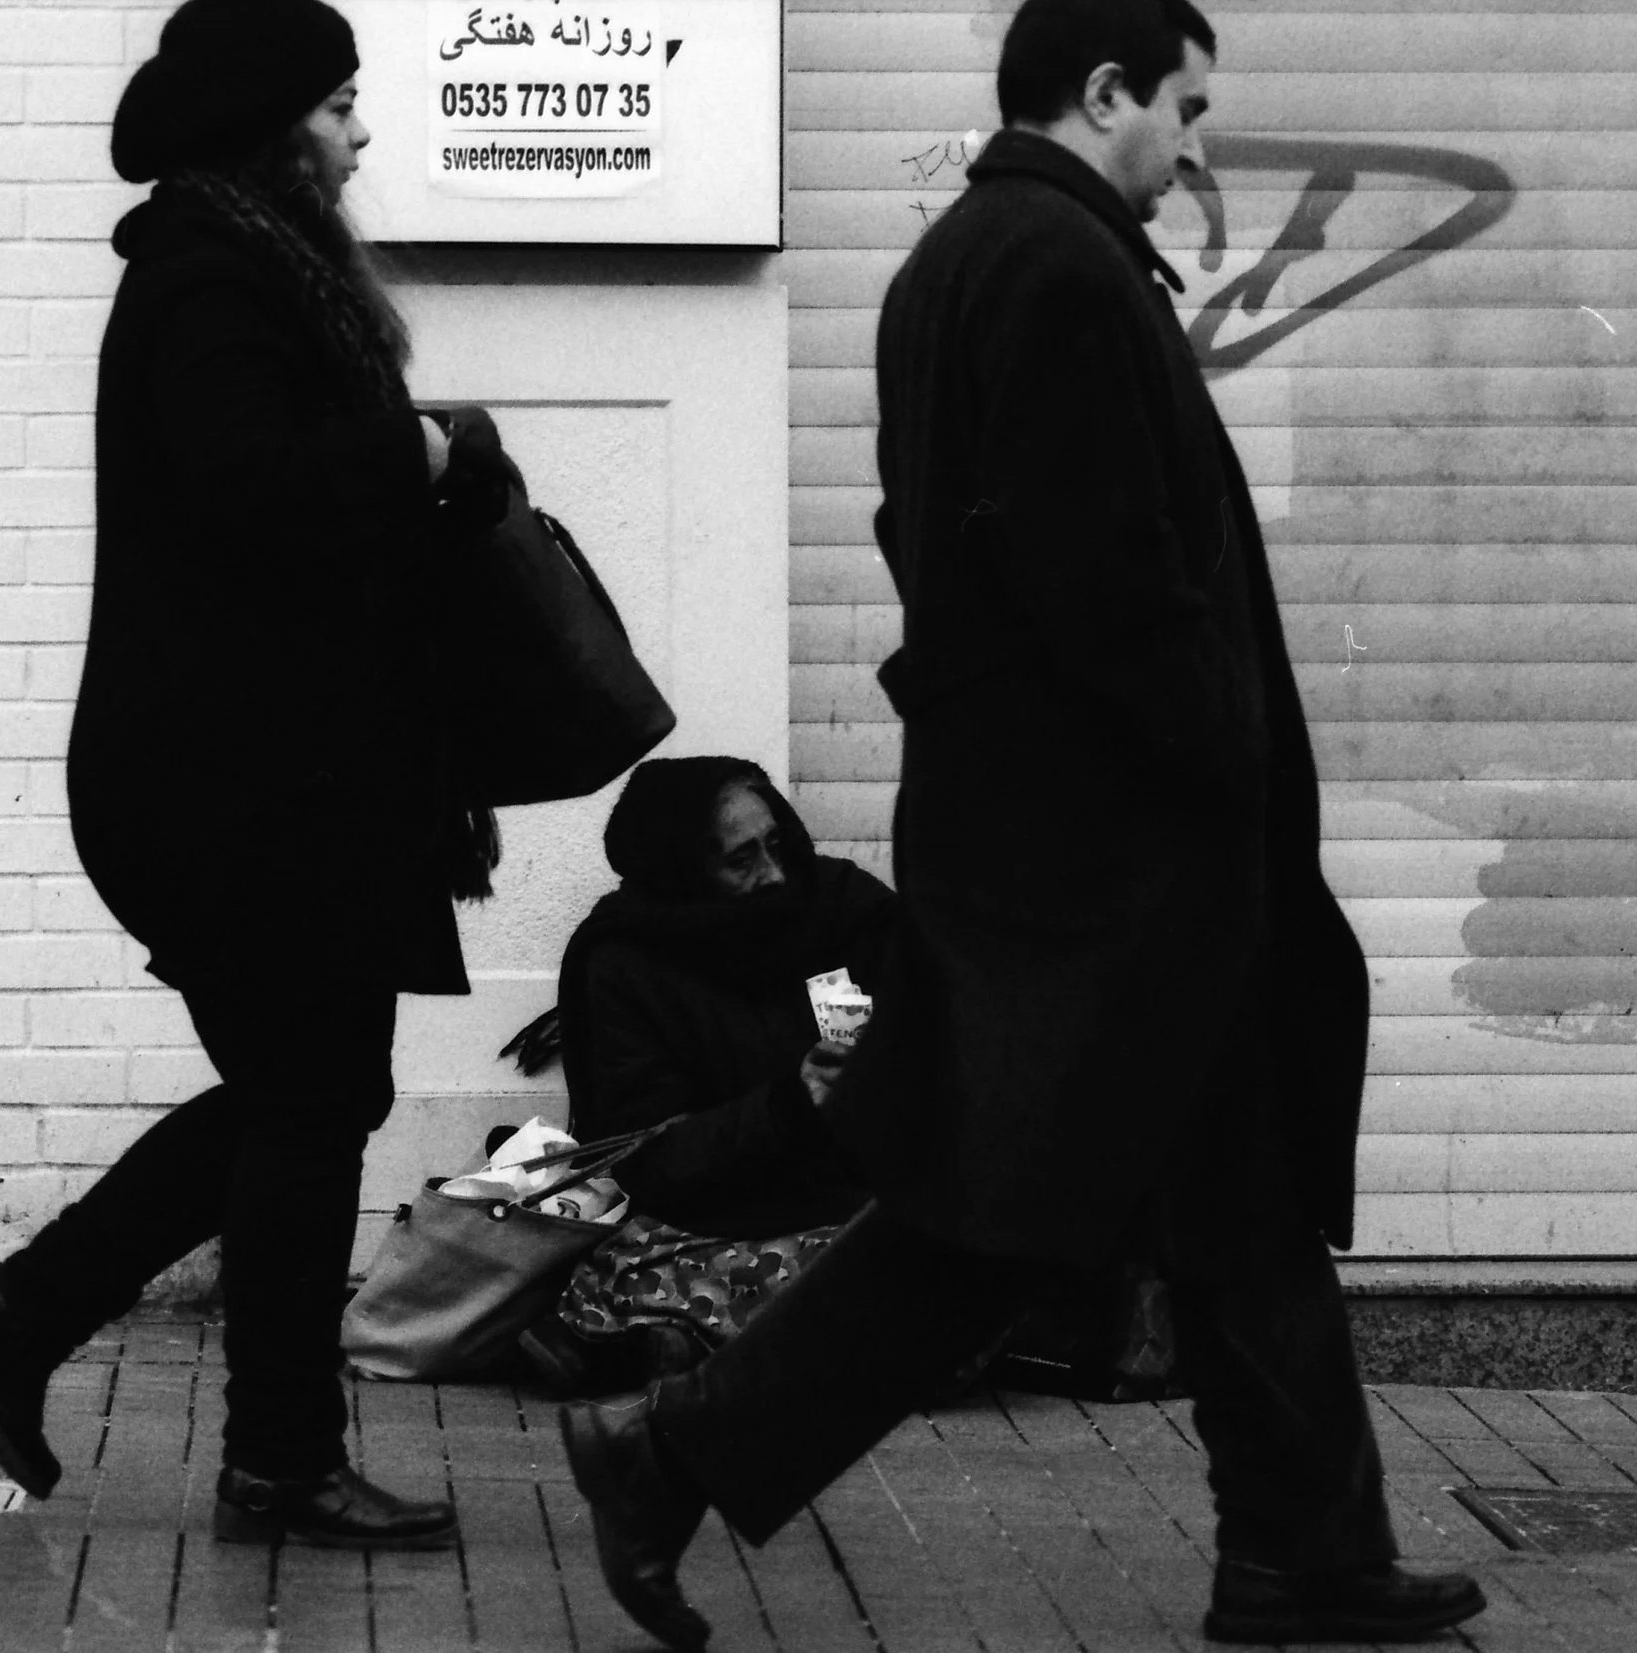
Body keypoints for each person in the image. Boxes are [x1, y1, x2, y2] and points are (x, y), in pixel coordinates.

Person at [556, 2, 1488, 1646]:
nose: (1195, 148)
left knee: (1229, 1191)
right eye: (1184, 107)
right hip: (1119, 864)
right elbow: (1108, 576)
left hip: (1074, 849)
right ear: (1105, 91)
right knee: (1002, 1212)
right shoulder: (1056, 268)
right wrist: (1220, 764)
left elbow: (933, 539)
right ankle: (673, 1449)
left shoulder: (961, 264)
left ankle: (1305, 1551)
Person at [0, 0, 514, 1551]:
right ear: (272, 129)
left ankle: (29, 1314)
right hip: (232, 786)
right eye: (338, 104)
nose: (360, 132)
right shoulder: (207, 276)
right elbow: (248, 492)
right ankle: (269, 1454)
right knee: (311, 1101)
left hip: (273, 775)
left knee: (304, 1094)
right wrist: (415, 457)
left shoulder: (246, 266)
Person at [505, 758, 894, 1395]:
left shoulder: (842, 909)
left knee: (945, 1254)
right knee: (865, 1283)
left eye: (776, 845)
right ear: (682, 872)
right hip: (720, 1216)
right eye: (741, 860)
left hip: (863, 1190)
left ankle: (669, 1340)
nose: (774, 874)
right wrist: (792, 1104)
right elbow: (652, 1156)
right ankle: (682, 1338)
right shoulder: (627, 960)